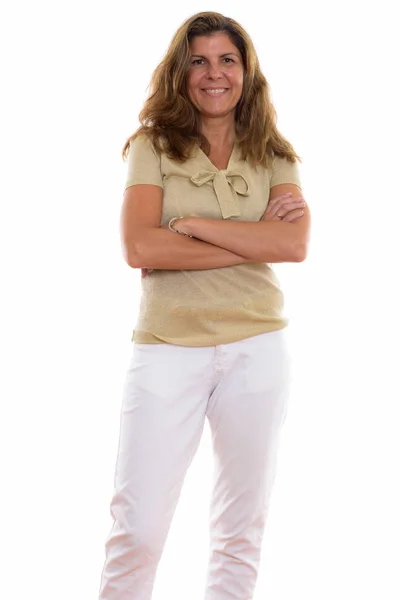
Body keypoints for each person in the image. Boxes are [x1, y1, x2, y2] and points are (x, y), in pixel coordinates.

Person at [98, 10, 310, 600]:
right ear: (180, 71)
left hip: (258, 347)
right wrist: (246, 237)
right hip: (168, 349)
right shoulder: (151, 146)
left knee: (241, 531)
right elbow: (140, 246)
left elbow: (292, 244)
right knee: (137, 529)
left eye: (227, 60)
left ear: (247, 71)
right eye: (198, 60)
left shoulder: (275, 152)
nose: (213, 74)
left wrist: (192, 228)